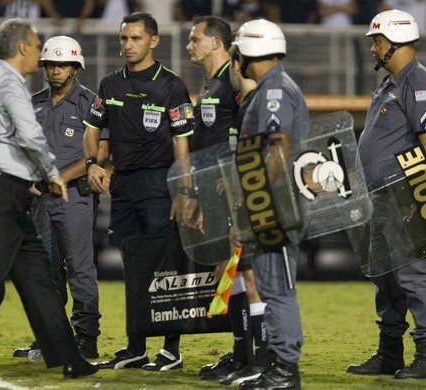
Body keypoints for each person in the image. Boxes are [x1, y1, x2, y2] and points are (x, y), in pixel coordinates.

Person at [0, 18, 98, 382]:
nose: (41, 52)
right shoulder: (9, 82)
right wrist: (51, 173)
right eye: (37, 44)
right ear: (23, 47)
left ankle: (70, 358)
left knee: (39, 277)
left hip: (2, 189)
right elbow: (29, 134)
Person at [83, 12, 192, 371]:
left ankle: (171, 350)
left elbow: (182, 145)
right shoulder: (109, 84)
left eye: (135, 39)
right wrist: (93, 164)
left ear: (153, 41)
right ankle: (136, 347)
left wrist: (184, 190)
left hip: (159, 184)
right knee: (132, 267)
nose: (128, 45)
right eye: (124, 39)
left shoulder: (171, 85)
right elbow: (93, 130)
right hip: (124, 185)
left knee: (165, 268)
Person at [346, 9, 426, 380]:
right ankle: (390, 353)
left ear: (395, 41)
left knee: (414, 273)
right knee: (385, 276)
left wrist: (420, 202)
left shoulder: (418, 82)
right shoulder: (390, 83)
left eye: (377, 41)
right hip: (380, 198)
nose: (373, 48)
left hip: (406, 197)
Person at [12, 35, 102, 361]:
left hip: (74, 197)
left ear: (75, 68)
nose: (55, 70)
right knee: (44, 271)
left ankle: (87, 338)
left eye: (62, 65)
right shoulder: (32, 102)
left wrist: (60, 177)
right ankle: (50, 337)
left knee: (79, 267)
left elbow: (99, 152)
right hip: (38, 201)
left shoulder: (90, 104)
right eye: (51, 64)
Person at [231, 19, 308, 389]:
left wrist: (257, 199)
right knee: (271, 283)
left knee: (277, 288)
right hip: (269, 204)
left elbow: (278, 147)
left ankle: (285, 370)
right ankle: (278, 365)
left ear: (249, 51)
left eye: (238, 50)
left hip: (274, 206)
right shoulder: (269, 88)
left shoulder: (274, 90)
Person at [182, 14, 254, 383]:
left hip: (232, 191)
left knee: (237, 270)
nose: (189, 45)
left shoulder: (235, 78)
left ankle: (249, 356)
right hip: (211, 189)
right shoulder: (211, 83)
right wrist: (195, 193)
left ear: (216, 42)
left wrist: (238, 175)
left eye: (195, 39)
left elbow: (250, 128)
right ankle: (242, 351)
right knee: (223, 272)